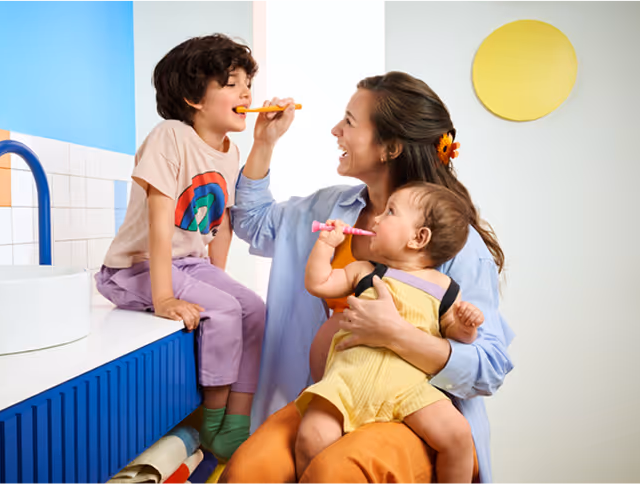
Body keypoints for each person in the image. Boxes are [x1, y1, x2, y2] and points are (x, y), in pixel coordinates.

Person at [221, 71, 514, 484]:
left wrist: (396, 334)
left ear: (390, 148)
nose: (335, 130)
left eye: (349, 122)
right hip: (335, 393)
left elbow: (489, 366)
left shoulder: (456, 247)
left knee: (334, 472)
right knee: (249, 472)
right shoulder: (330, 209)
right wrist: (264, 142)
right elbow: (254, 222)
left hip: (409, 410)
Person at [94, 34, 265, 460]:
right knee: (224, 312)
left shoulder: (230, 150)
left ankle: (237, 424)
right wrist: (163, 295)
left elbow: (220, 222)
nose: (246, 92)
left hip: (191, 263)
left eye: (248, 83)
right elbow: (158, 221)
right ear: (193, 98)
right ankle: (210, 425)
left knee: (256, 311)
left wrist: (220, 277)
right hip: (135, 267)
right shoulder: (169, 136)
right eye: (231, 82)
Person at [297, 182, 485, 484]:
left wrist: (467, 325)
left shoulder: (444, 288)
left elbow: (457, 337)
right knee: (311, 438)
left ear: (418, 237)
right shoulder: (365, 270)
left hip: (409, 388)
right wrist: (326, 245)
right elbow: (318, 283)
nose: (376, 218)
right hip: (348, 381)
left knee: (458, 436)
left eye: (390, 212)